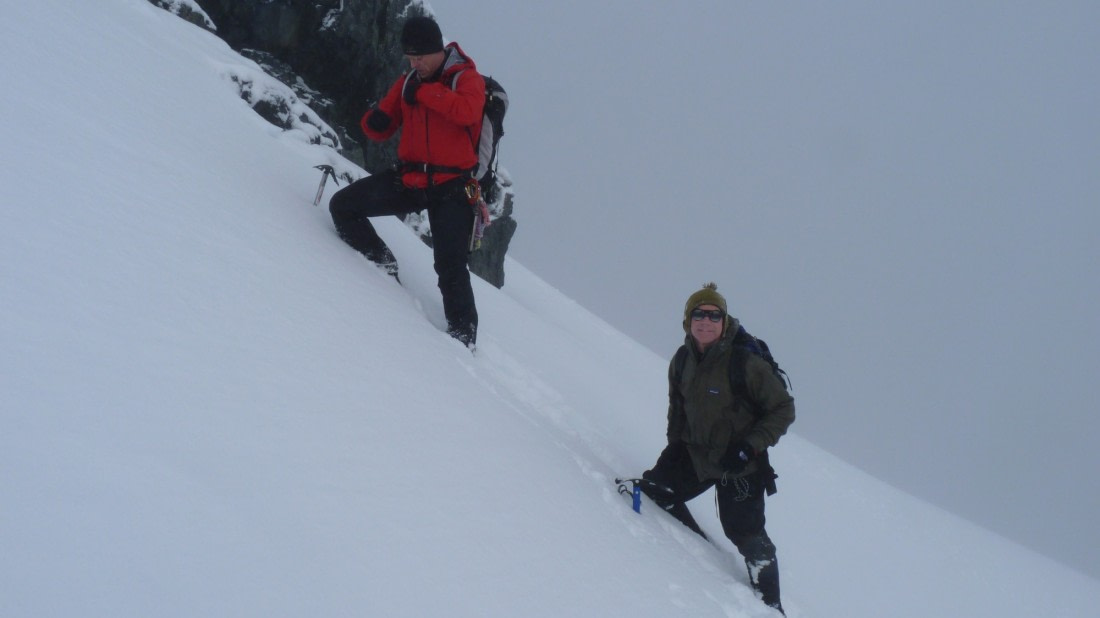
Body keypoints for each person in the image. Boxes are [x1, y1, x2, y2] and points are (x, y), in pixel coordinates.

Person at [329, 15, 484, 347]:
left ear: (438, 49)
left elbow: (468, 112)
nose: (416, 63)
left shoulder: (466, 78)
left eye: (421, 57)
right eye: (410, 58)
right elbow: (380, 128)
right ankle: (381, 266)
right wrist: (375, 120)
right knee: (343, 206)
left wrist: (425, 94)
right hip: (411, 179)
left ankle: (464, 338)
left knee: (450, 264)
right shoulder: (408, 82)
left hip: (452, 187)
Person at [642, 283, 795, 614]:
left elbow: (783, 410)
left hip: (741, 464)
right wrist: (674, 447)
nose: (706, 321)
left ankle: (771, 606)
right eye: (699, 314)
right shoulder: (683, 360)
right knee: (657, 488)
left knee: (747, 536)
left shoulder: (745, 363)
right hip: (696, 453)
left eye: (714, 315)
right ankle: (696, 547)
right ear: (688, 320)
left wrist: (748, 448)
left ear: (724, 322)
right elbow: (677, 406)